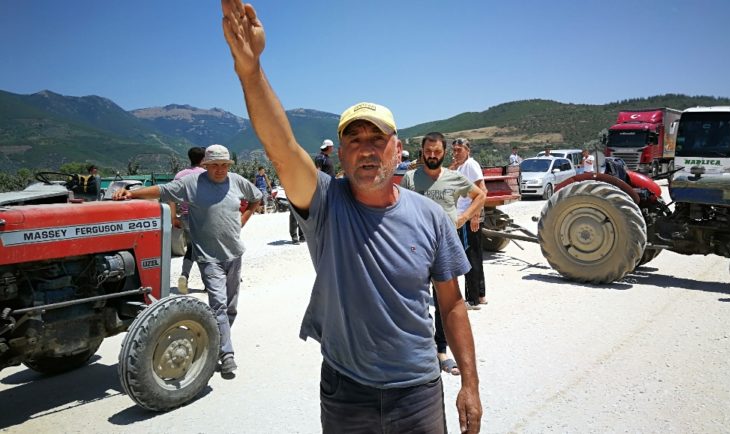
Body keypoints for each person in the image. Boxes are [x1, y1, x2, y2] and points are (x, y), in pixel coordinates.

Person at [220, 2, 482, 432]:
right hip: (346, 391)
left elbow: (451, 303)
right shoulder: (327, 204)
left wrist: (470, 383)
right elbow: (282, 149)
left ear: (397, 149)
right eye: (354, 139)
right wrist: (251, 71)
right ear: (340, 153)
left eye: (377, 138)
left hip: (417, 390)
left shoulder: (430, 218)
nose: (366, 149)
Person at [113, 143, 261, 379]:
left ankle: (216, 342)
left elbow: (257, 197)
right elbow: (163, 190)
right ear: (206, 165)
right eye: (215, 165)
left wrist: (244, 218)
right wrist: (132, 193)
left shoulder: (237, 181)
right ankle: (227, 354)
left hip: (235, 254)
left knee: (231, 307)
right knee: (219, 305)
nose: (220, 169)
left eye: (224, 165)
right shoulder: (192, 183)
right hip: (209, 257)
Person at [400, 132, 486, 377]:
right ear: (422, 151)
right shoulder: (410, 178)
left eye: (437, 152)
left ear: (444, 153)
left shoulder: (454, 177)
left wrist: (464, 217)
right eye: (428, 151)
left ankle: (441, 351)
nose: (432, 155)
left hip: (444, 248)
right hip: (415, 247)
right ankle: (418, 350)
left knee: (445, 303)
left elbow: (480, 195)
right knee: (414, 300)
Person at [450, 138, 488, 307]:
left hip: (468, 216)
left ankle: (472, 299)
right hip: (465, 216)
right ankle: (480, 295)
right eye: (454, 150)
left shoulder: (471, 165)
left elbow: (483, 190)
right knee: (475, 255)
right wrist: (454, 165)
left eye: (459, 150)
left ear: (468, 150)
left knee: (470, 257)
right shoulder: (460, 166)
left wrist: (474, 216)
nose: (455, 153)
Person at [172, 146, 207, 294]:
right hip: (203, 217)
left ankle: (184, 276)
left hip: (185, 216)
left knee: (192, 248)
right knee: (205, 249)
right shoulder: (205, 174)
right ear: (203, 159)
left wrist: (173, 217)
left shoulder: (180, 175)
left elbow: (171, 196)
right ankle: (208, 282)